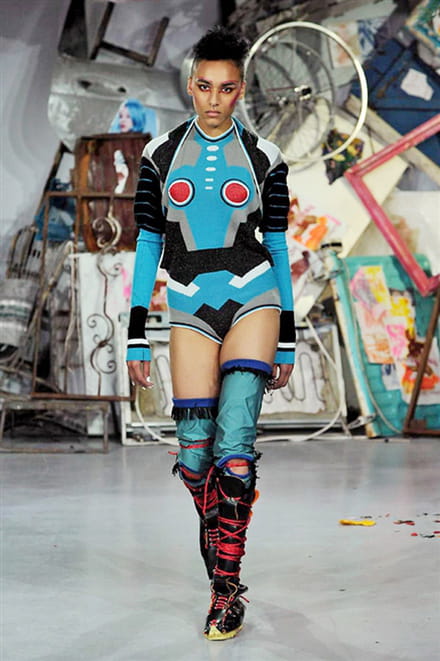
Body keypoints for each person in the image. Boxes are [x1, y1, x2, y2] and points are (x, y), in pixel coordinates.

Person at [126, 26, 296, 641]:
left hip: (255, 298)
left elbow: (277, 245)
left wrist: (288, 336)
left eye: (226, 89)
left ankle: (226, 590)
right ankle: (222, 523)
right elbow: (148, 243)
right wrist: (135, 334)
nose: (214, 99)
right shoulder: (158, 155)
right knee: (195, 456)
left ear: (240, 90)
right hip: (189, 305)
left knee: (235, 452)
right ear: (191, 84)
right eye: (204, 86)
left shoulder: (266, 157)